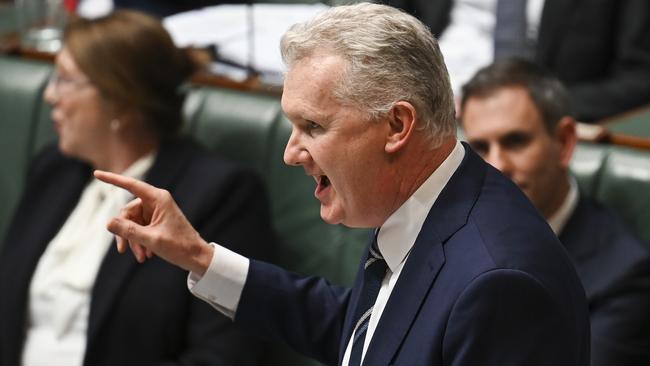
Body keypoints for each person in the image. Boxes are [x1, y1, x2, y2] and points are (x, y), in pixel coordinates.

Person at [95, 3, 590, 365]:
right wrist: (201, 257)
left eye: (313, 127)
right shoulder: (425, 201)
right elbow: (369, 333)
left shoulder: (500, 286)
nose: (291, 153)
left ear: (397, 126)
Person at [0, 10, 273, 366]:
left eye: (65, 80)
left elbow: (223, 354)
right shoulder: (54, 170)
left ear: (121, 100)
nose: (50, 95)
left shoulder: (222, 194)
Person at [459, 58, 650, 366]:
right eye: (480, 147)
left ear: (564, 142)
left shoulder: (623, 276)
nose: (496, 165)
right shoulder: (443, 238)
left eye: (515, 141)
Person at [383, 0, 650, 122]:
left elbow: (640, 76)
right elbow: (383, 31)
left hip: (532, 120)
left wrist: (541, 105)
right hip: (421, 105)